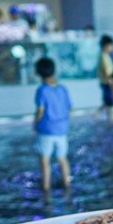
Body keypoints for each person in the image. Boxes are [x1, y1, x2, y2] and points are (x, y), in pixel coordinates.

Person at [32, 57, 72, 191]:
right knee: (62, 158)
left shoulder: (42, 90)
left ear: (37, 73)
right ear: (54, 71)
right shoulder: (63, 89)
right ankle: (67, 183)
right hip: (62, 129)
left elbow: (40, 110)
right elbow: (69, 108)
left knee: (45, 159)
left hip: (46, 130)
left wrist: (35, 122)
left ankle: (46, 185)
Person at [98, 35, 113, 122]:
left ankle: (97, 113)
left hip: (106, 82)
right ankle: (111, 120)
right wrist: (112, 82)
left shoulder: (105, 56)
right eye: (111, 45)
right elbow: (107, 72)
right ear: (106, 46)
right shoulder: (104, 56)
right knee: (110, 102)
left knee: (107, 101)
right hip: (107, 82)